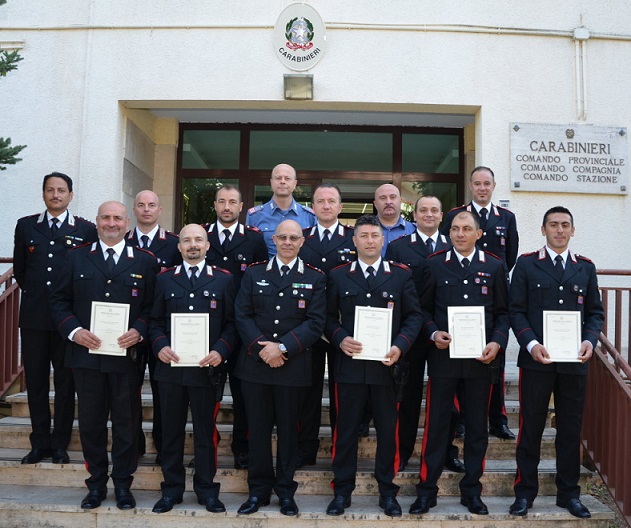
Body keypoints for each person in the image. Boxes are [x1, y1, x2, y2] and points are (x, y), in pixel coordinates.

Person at [50, 201, 158, 510]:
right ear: (97, 221)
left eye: (117, 218)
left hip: (126, 358)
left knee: (126, 423)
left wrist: (139, 329)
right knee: (91, 423)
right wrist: (74, 331)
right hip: (86, 356)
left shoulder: (144, 261)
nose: (111, 223)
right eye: (106, 218)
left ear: (127, 223)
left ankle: (123, 484)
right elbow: (58, 301)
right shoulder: (75, 258)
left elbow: (153, 306)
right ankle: (96, 484)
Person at [410, 210, 509, 516]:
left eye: (467, 229)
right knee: (437, 427)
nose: (460, 233)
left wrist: (497, 341)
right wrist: (432, 332)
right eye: (455, 229)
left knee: (478, 428)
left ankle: (472, 491)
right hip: (444, 360)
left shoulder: (494, 265)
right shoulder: (434, 264)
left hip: (481, 361)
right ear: (449, 233)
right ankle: (427, 490)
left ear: (479, 234)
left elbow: (503, 313)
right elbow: (421, 310)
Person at [508, 206, 604, 519]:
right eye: (553, 225)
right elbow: (516, 310)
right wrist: (531, 343)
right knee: (531, 427)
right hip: (537, 362)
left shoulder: (585, 268)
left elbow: (595, 313)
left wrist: (589, 341)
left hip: (574, 363)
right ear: (543, 229)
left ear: (572, 231)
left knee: (570, 429)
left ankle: (568, 495)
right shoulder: (526, 265)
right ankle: (524, 493)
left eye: (565, 225)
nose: (559, 230)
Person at [325, 214, 422, 518]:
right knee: (345, 431)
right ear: (354, 241)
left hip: (386, 368)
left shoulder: (400, 275)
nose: (369, 240)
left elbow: (414, 317)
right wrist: (339, 337)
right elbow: (325, 318)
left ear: (384, 240)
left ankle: (387, 491)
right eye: (363, 235)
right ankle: (342, 490)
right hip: (349, 367)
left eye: (374, 236)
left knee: (387, 431)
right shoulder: (338, 275)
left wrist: (400, 346)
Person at [234, 219, 326, 516]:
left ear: (302, 242)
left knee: (289, 432)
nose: (287, 242)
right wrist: (264, 348)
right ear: (273, 239)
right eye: (282, 237)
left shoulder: (315, 277)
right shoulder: (255, 272)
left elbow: (316, 322)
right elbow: (242, 314)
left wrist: (282, 347)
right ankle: (258, 491)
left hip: (292, 365)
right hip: (256, 364)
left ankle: (285, 491)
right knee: (258, 430)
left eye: (293, 238)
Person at [148, 224, 237, 514]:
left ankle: (206, 490)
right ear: (179, 246)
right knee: (171, 432)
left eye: (198, 240)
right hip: (170, 370)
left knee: (205, 433)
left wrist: (220, 350)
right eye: (186, 240)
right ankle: (171, 490)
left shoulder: (224, 280)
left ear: (208, 245)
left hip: (206, 370)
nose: (193, 245)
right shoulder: (163, 280)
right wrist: (160, 344)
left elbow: (233, 324)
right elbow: (154, 321)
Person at [12, 172, 97, 465]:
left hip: (68, 323)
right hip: (34, 318)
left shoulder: (85, 230)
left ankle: (60, 443)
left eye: (61, 190)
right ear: (44, 194)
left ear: (71, 195)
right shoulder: (26, 226)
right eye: (50, 190)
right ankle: (40, 443)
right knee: (35, 382)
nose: (56, 195)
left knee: (65, 383)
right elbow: (21, 271)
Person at [385, 195, 463, 473]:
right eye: (423, 210)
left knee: (449, 401)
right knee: (407, 398)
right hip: (410, 335)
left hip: (447, 336)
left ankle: (446, 451)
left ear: (442, 216)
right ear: (414, 215)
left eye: (434, 210)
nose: (429, 214)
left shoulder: (455, 245)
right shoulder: (398, 247)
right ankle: (404, 451)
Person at [441, 166, 519, 440]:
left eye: (487, 183)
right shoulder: (455, 215)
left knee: (493, 365)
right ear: (470, 186)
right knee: (459, 364)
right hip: (459, 303)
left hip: (489, 299)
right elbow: (446, 250)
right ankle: (460, 420)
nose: (482, 188)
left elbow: (509, 257)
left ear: (494, 186)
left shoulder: (506, 218)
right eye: (477, 183)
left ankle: (497, 420)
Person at [203, 184, 268, 470]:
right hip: (210, 328)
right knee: (207, 394)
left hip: (243, 329)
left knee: (244, 395)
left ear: (242, 207)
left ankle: (243, 447)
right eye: (221, 201)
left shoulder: (254, 239)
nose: (226, 206)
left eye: (232, 202)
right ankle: (207, 446)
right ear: (215, 206)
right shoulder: (202, 235)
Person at [296, 183, 356, 467]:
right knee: (307, 391)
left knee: (342, 393)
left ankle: (340, 449)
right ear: (313, 207)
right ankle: (305, 449)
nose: (326, 206)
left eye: (332, 201)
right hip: (308, 328)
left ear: (340, 207)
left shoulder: (354, 238)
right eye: (320, 201)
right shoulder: (301, 238)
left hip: (345, 328)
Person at [126, 189, 181, 463]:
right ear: (134, 210)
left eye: (152, 205)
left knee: (164, 395)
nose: (146, 209)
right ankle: (134, 444)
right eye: (141, 205)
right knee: (129, 391)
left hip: (162, 332)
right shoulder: (122, 242)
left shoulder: (174, 244)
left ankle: (163, 447)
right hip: (130, 332)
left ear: (160, 210)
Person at [246, 163, 316, 257]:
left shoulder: (309, 216)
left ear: (295, 184)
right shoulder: (254, 216)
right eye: (278, 178)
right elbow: (249, 250)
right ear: (271, 182)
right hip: (265, 270)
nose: (282, 181)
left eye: (287, 178)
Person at [373, 183, 416, 256]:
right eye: (383, 198)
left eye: (393, 197)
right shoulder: (363, 231)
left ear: (400, 201)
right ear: (375, 204)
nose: (388, 202)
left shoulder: (414, 231)